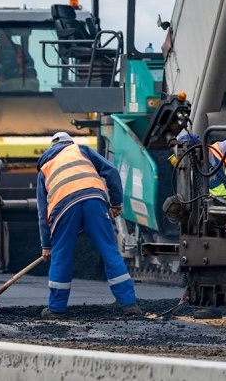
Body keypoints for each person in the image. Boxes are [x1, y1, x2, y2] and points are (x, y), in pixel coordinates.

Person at [36, 132, 141, 318]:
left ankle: (56, 309)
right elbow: (112, 172)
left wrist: (46, 245)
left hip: (63, 207)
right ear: (69, 143)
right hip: (94, 200)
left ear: (52, 148)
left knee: (61, 256)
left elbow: (42, 212)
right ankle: (129, 305)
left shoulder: (45, 166)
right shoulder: (81, 150)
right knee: (110, 251)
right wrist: (116, 203)